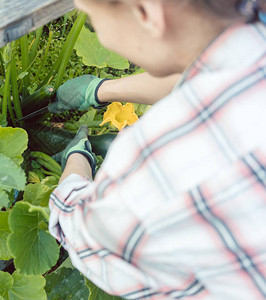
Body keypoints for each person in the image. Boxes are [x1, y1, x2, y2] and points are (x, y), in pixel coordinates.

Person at [47, 0, 266, 299]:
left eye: (91, 17)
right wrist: (101, 90)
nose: (95, 27)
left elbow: (84, 235)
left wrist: (76, 160)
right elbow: (206, 67)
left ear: (145, 11)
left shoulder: (159, 162)